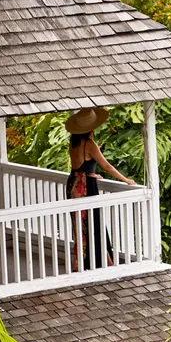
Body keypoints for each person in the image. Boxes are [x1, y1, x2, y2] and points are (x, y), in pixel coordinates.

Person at [64, 107, 129, 267]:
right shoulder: (89, 144)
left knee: (80, 227)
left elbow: (79, 166)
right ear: (91, 128)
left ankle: (82, 263)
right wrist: (126, 180)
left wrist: (92, 174)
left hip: (73, 183)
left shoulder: (73, 141)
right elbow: (106, 166)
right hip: (85, 186)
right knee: (95, 225)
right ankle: (104, 263)